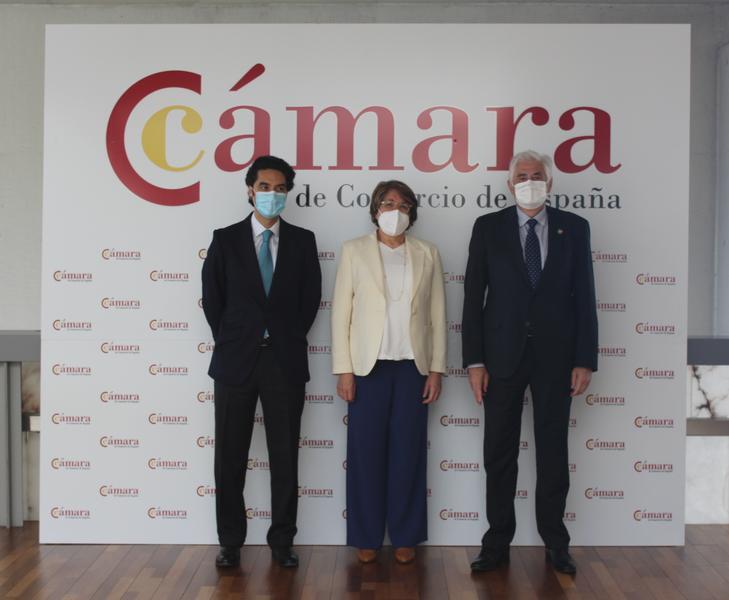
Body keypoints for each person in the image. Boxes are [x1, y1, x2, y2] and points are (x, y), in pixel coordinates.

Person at [462, 150, 598, 575]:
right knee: (499, 453)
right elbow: (473, 297)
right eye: (521, 176)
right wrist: (474, 361)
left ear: (550, 182)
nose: (529, 181)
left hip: (557, 359)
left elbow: (585, 296)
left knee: (553, 452)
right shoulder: (487, 227)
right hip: (500, 357)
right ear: (509, 184)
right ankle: (496, 543)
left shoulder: (574, 227)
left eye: (537, 175)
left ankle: (556, 543)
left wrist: (585, 359)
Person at [202, 155, 322, 568]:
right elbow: (213, 300)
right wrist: (238, 339)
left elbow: (309, 301)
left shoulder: (303, 241)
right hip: (235, 362)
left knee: (285, 457)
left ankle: (282, 542)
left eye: (280, 188)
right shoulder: (225, 239)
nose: (273, 194)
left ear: (288, 193)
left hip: (284, 362)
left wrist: (281, 338)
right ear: (250, 190)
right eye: (265, 187)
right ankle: (230, 542)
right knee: (229, 457)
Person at [331, 180, 446, 565]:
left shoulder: (428, 252)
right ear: (375, 209)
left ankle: (405, 535)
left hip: (413, 368)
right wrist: (344, 370)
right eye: (388, 203)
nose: (395, 211)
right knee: (365, 455)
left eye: (404, 205)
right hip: (368, 369)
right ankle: (366, 536)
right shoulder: (354, 251)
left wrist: (436, 369)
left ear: (412, 212)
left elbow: (437, 315)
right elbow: (341, 315)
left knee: (408, 455)